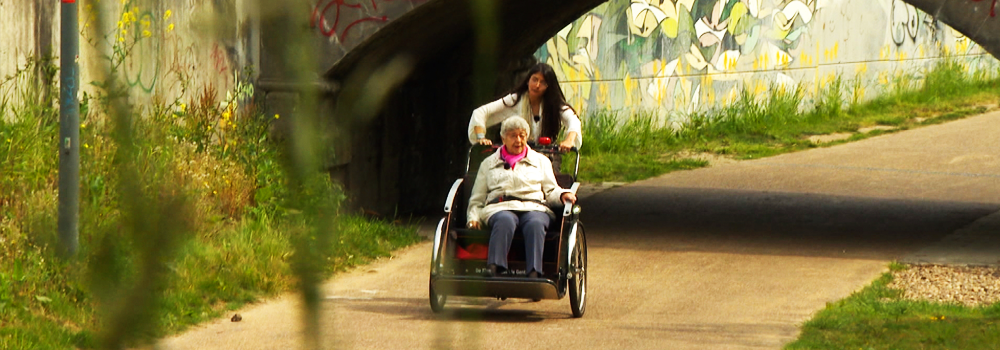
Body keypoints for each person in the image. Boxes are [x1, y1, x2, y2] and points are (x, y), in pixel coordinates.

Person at [467, 117, 577, 278]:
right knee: (505, 220)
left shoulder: (541, 161)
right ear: (503, 138)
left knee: (535, 223)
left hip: (535, 207)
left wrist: (562, 195)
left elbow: (551, 190)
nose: (518, 140)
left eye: (522, 135)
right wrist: (473, 217)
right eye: (513, 136)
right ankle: (495, 267)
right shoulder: (488, 163)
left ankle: (534, 272)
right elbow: (477, 197)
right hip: (500, 207)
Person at [468, 63, 583, 153]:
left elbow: (573, 120)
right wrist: (481, 138)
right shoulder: (515, 100)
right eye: (534, 80)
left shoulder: (553, 103)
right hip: (517, 154)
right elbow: (480, 112)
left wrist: (569, 140)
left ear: (548, 87)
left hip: (546, 155)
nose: (537, 85)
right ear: (528, 80)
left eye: (543, 82)